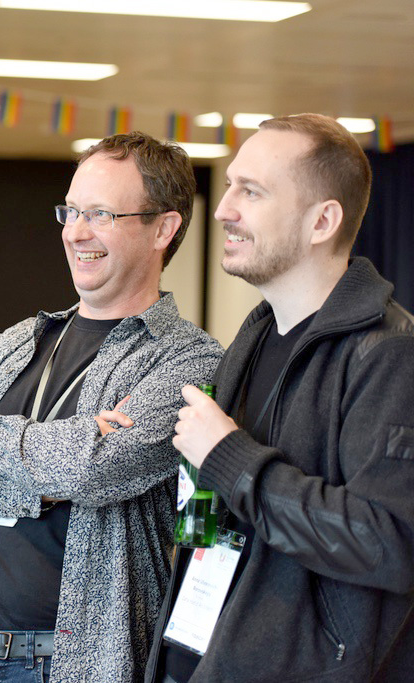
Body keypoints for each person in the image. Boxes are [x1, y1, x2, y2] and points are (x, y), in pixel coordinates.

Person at [0, 132, 223, 682]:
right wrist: (51, 477)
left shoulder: (187, 359)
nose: (75, 232)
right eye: (71, 211)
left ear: (163, 229)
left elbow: (90, 471)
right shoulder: (18, 342)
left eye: (100, 214)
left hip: (77, 666)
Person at [145, 113, 414, 682]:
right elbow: (219, 508)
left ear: (322, 221)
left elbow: (387, 543)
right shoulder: (256, 332)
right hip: (197, 656)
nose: (223, 209)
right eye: (230, 185)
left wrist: (227, 455)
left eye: (252, 191)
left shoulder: (391, 354)